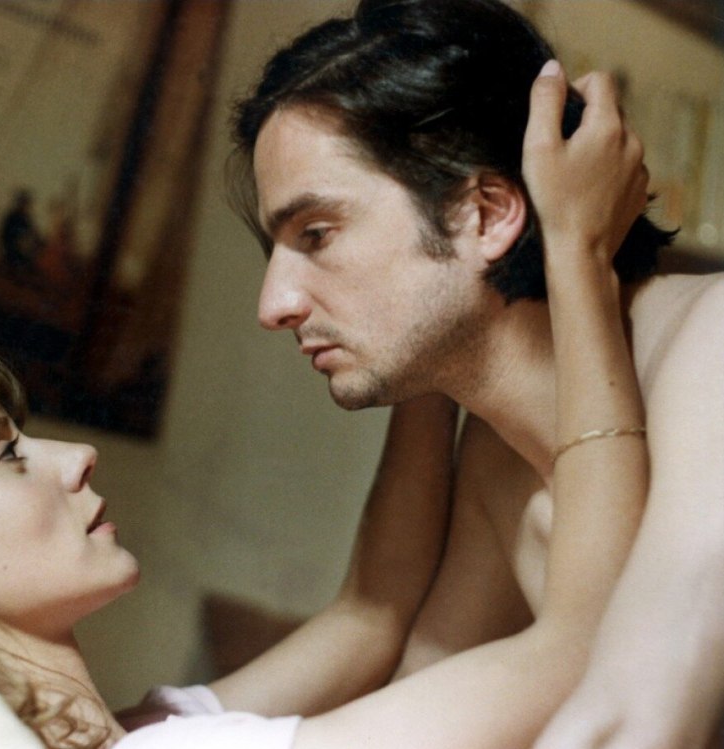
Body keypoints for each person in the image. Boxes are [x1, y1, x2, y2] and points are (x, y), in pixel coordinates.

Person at [0, 60, 653, 746]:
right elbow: (586, 647)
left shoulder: (148, 730)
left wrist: (418, 338)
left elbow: (371, 612)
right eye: (7, 454)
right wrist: (576, 250)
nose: (75, 457)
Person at [227, 0, 724, 746]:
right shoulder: (496, 455)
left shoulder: (712, 349)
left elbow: (636, 723)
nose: (274, 305)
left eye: (317, 234)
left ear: (488, 214)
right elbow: (434, 699)